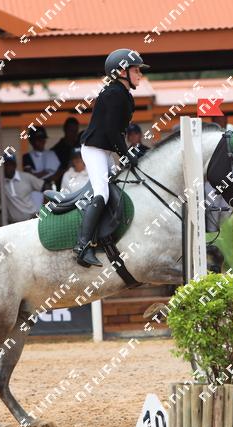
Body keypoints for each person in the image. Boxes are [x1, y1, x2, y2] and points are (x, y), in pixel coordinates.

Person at [75, 48, 150, 267]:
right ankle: (82, 246)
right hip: (94, 149)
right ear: (122, 72)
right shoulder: (113, 94)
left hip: (104, 149)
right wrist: (125, 154)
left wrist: (126, 153)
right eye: (136, 70)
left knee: (115, 188)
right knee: (102, 193)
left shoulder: (123, 94)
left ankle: (105, 236)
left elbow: (116, 132)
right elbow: (110, 131)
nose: (140, 74)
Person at [2, 155, 45, 223]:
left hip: (31, 219)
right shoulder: (1, 182)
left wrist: (43, 211)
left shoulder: (26, 177)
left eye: (10, 164)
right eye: (5, 165)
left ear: (15, 165)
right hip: (13, 223)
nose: (8, 167)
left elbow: (46, 187)